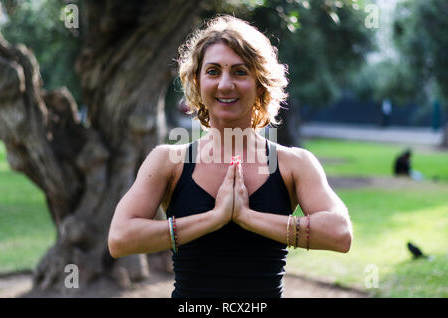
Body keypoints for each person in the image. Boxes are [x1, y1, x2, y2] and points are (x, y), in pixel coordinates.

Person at [108, 15, 352, 298]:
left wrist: (247, 217)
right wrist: (213, 218)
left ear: (260, 84)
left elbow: (339, 233)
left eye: (239, 72)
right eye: (213, 71)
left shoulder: (293, 165)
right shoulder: (168, 162)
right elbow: (120, 238)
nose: (225, 84)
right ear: (197, 83)